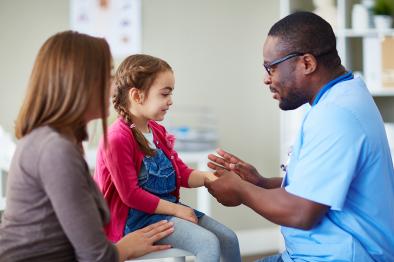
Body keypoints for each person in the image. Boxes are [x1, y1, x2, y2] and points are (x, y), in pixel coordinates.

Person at [205, 12, 394, 262]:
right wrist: (260, 183)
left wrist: (240, 190)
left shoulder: (335, 114)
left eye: (270, 67)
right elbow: (321, 186)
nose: (266, 79)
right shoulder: (343, 95)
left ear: (306, 63)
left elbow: (301, 213)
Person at [0, 31, 174, 262]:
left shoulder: (58, 141)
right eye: (108, 77)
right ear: (79, 81)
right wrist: (127, 247)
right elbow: (96, 256)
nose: (114, 89)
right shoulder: (55, 150)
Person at [94, 54, 241, 262]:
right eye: (164, 94)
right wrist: (177, 210)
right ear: (137, 96)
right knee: (208, 243)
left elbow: (180, 173)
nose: (170, 101)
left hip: (168, 210)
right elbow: (131, 195)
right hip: (136, 220)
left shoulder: (157, 131)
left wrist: (210, 177)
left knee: (229, 238)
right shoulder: (117, 138)